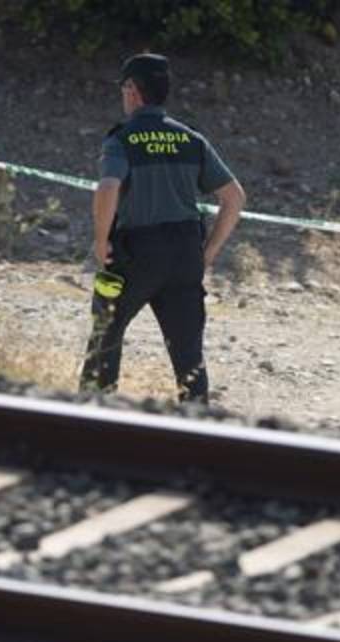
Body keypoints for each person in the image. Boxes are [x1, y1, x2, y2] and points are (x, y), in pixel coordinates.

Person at [78, 53, 246, 404]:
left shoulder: (121, 140)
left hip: (134, 255)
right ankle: (198, 431)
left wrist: (99, 240)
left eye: (124, 89)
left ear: (133, 91)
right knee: (189, 358)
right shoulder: (190, 139)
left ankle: (92, 421)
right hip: (185, 255)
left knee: (104, 338)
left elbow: (108, 188)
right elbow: (234, 197)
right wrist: (208, 253)